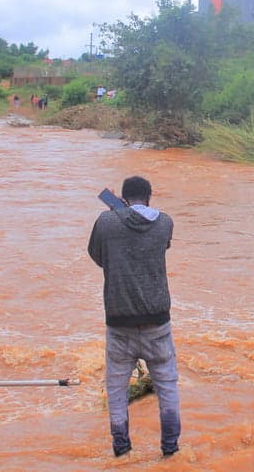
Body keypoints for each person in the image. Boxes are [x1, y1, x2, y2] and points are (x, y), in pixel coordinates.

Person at [87, 176, 180, 458]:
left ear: (124, 198)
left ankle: (122, 450)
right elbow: (159, 246)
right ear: (149, 197)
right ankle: (170, 450)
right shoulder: (165, 222)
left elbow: (97, 255)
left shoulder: (106, 221)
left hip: (119, 321)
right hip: (157, 321)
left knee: (116, 390)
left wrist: (116, 212)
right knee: (167, 386)